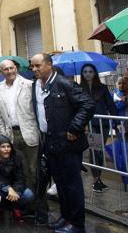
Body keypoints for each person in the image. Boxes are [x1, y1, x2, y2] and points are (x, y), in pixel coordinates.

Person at [30, 53, 95, 233]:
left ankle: (77, 223)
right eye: (32, 67)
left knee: (72, 185)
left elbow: (88, 104)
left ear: (49, 65)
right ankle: (66, 218)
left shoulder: (64, 83)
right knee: (60, 184)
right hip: (50, 142)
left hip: (68, 143)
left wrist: (74, 128)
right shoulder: (36, 85)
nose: (34, 69)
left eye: (38, 66)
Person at [0, 59, 40, 199]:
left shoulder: (29, 85)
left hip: (29, 133)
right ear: (1, 72)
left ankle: (40, 207)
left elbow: (36, 110)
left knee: (34, 170)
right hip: (10, 135)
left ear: (16, 68)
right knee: (20, 171)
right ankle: (26, 205)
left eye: (11, 68)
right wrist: (3, 134)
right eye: (5, 69)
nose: (9, 71)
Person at [79, 63, 117, 192]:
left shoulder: (102, 88)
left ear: (94, 73)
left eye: (90, 71)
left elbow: (111, 105)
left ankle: (98, 178)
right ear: (82, 74)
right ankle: (96, 180)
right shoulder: (79, 89)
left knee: (99, 152)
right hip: (89, 125)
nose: (88, 74)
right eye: (85, 72)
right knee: (94, 151)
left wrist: (117, 123)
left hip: (103, 124)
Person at [0, 135, 34, 222]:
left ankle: (15, 208)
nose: (6, 149)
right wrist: (7, 188)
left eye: (8, 146)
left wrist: (16, 191)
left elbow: (20, 178)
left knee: (28, 194)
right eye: (3, 147)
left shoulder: (16, 157)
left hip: (13, 190)